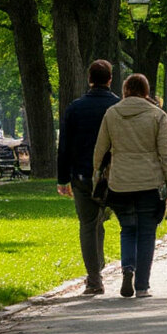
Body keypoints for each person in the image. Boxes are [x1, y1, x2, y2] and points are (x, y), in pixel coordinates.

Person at [93, 74, 167, 299]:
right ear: (146, 91)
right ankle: (142, 285)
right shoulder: (157, 115)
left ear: (125, 90)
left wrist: (98, 177)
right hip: (149, 182)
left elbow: (100, 151)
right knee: (147, 233)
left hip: (120, 182)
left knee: (128, 229)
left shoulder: (112, 114)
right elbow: (166, 155)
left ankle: (127, 269)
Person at [56, 59, 120, 296]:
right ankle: (125, 271)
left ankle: (94, 278)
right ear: (110, 80)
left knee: (88, 224)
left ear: (89, 79)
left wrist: (63, 178)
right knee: (105, 221)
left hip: (82, 175)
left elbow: (65, 146)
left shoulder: (75, 108)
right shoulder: (117, 107)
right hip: (113, 175)